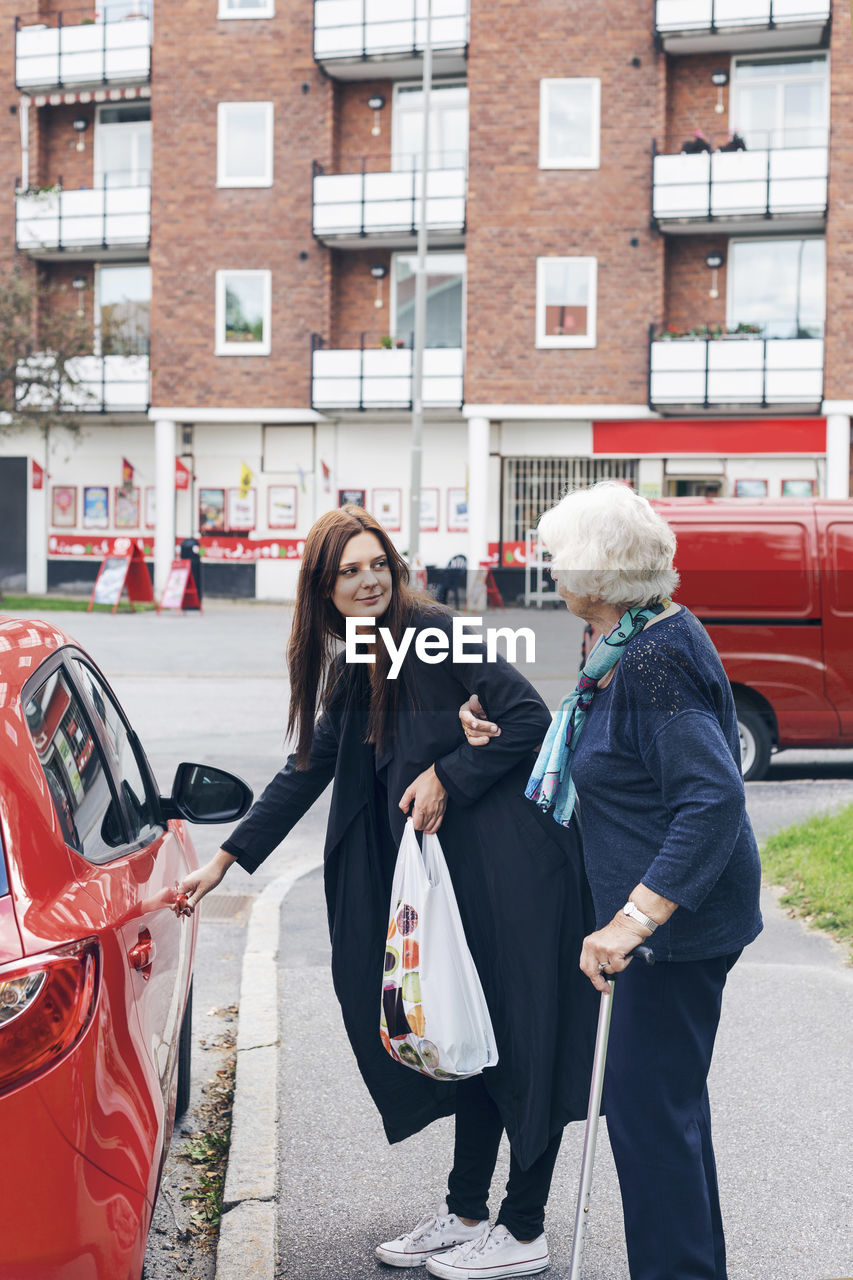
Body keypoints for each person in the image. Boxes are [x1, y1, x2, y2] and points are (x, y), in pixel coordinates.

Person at [180, 506, 599, 1280]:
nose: (367, 578)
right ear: (323, 587)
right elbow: (309, 767)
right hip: (449, 879)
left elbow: (529, 717)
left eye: (377, 563)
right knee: (466, 1039)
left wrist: (448, 772)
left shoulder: (430, 630)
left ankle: (524, 1228)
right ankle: (467, 1211)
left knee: (520, 1042)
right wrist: (227, 860)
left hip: (513, 874)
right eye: (349, 570)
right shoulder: (362, 654)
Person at [461, 481, 762, 1280]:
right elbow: (611, 759)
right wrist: (500, 738)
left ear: (596, 575)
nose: (547, 569)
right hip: (677, 924)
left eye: (556, 557)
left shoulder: (653, 661)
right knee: (665, 1111)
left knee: (645, 1119)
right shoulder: (629, 638)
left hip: (673, 934)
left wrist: (632, 919)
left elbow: (712, 797)